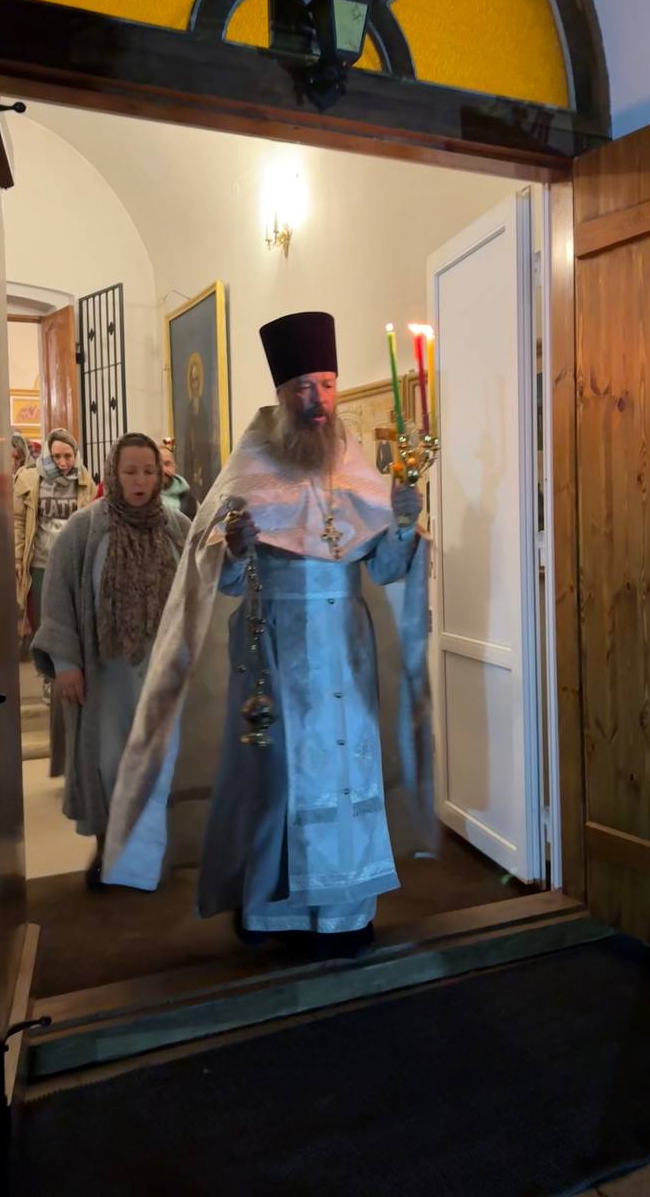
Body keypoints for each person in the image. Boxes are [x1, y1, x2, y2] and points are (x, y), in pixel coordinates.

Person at [103, 312, 434, 957]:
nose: (317, 400)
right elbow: (222, 582)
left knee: (348, 774)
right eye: (303, 387)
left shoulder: (354, 463)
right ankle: (271, 910)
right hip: (276, 655)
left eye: (328, 385)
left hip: (349, 656)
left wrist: (400, 526)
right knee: (278, 779)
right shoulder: (250, 466)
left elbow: (385, 569)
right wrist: (234, 546)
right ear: (281, 394)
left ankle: (346, 913)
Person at [31, 434, 190, 887]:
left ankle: (155, 855)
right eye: (130, 471)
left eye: (148, 471)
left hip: (164, 674)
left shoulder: (178, 528)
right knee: (110, 762)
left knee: (161, 762)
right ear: (113, 474)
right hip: (106, 676)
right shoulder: (83, 530)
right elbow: (57, 598)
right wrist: (66, 664)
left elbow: (197, 593)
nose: (140, 480)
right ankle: (110, 852)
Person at [14, 428, 97, 640]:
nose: (62, 462)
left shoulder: (84, 480)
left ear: (75, 454)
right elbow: (19, 521)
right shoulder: (30, 478)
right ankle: (44, 661)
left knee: (70, 621)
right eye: (56, 456)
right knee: (41, 622)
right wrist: (17, 557)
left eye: (68, 456)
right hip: (40, 563)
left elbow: (92, 520)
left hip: (71, 563)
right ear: (47, 455)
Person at [184, 355, 218, 501]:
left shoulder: (205, 405)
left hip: (204, 454)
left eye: (197, 379)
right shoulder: (189, 407)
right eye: (192, 380)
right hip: (192, 453)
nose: (195, 384)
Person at [160, 441, 198, 519]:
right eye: (158, 465)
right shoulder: (141, 499)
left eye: (167, 464)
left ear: (175, 467)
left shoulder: (190, 499)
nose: (163, 470)